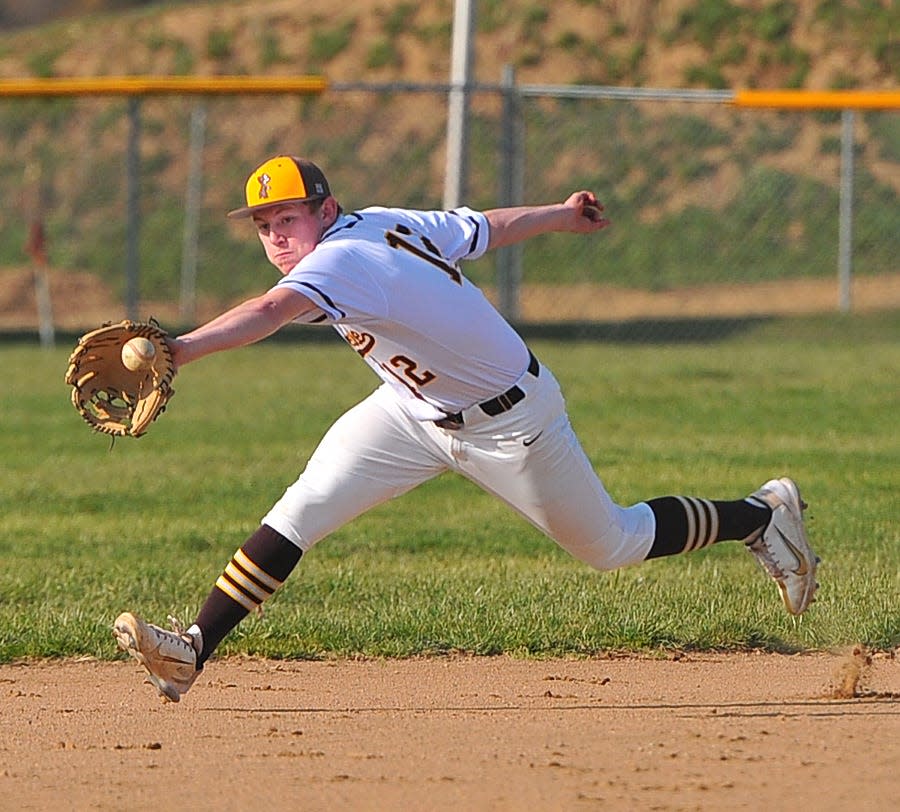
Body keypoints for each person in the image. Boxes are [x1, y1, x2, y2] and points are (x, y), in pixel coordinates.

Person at [114, 155, 819, 702]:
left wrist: (181, 349)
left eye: (288, 219)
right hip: (410, 412)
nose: (275, 236)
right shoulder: (384, 220)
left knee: (614, 542)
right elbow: (486, 227)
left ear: (326, 210)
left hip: (512, 425)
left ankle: (761, 515)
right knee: (304, 507)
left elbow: (269, 312)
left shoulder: (342, 257)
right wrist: (561, 214)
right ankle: (192, 650)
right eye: (264, 225)